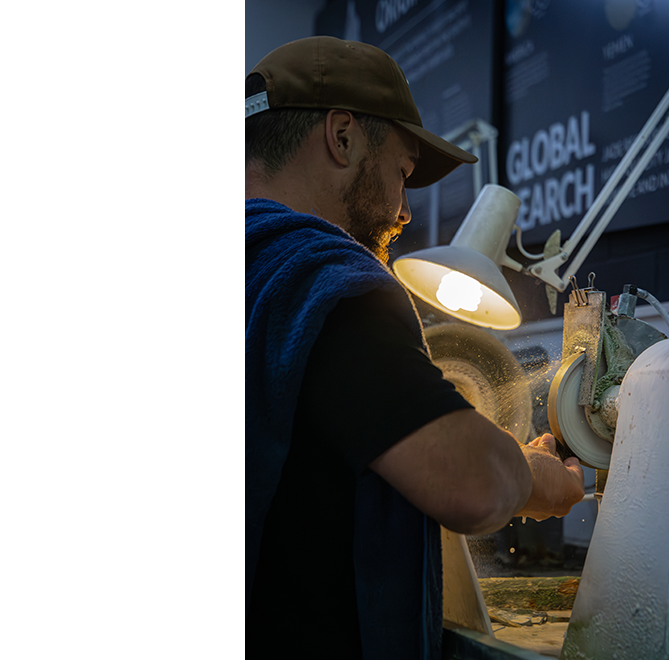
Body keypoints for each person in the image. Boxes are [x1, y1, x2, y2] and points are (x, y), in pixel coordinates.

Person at [244, 37, 585, 659]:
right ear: (341, 137)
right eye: (402, 174)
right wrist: (535, 478)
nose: (403, 211)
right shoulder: (318, 279)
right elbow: (474, 480)